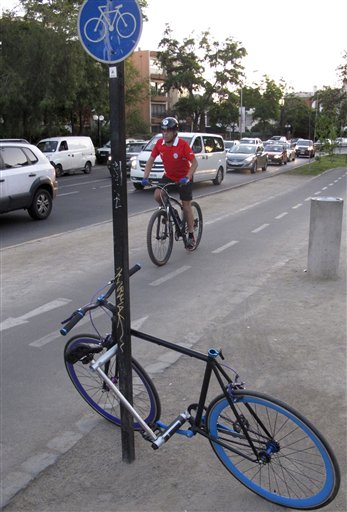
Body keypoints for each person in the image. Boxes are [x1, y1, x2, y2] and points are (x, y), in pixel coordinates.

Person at [141, 117, 198, 250]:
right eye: (163, 131)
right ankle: (171, 212)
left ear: (174, 132)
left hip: (184, 178)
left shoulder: (182, 145)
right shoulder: (159, 144)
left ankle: (191, 235)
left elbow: (194, 163)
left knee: (186, 206)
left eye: (168, 131)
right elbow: (150, 160)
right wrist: (145, 177)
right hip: (169, 176)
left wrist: (188, 177)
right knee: (157, 195)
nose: (165, 133)